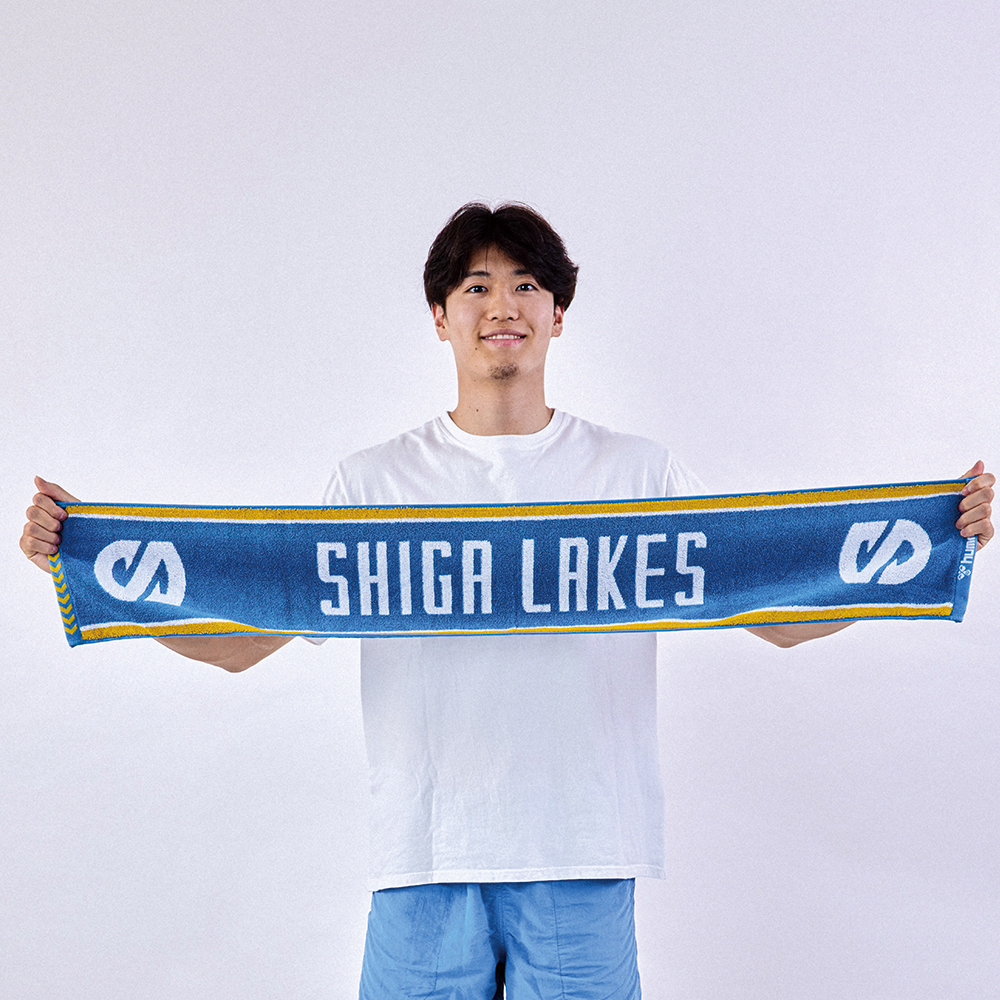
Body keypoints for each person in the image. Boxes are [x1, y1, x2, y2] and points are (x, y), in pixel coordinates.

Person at [20, 203, 996, 999]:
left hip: (582, 849)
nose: (504, 305)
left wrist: (927, 551)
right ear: (440, 316)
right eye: (477, 285)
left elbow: (777, 612)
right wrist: (86, 567)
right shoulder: (373, 485)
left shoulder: (636, 476)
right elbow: (243, 642)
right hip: (425, 854)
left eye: (527, 285)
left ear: (558, 315)